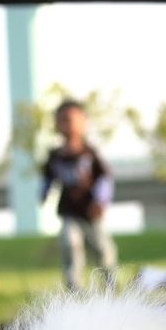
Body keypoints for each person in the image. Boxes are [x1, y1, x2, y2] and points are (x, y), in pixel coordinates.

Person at [40, 99, 117, 291]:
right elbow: (47, 178)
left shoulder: (89, 153)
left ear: (83, 122)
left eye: (71, 119)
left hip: (91, 211)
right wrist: (44, 192)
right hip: (69, 211)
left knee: (102, 250)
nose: (67, 124)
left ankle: (110, 287)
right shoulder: (55, 155)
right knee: (70, 245)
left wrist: (101, 200)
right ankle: (74, 289)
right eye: (62, 120)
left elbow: (104, 178)